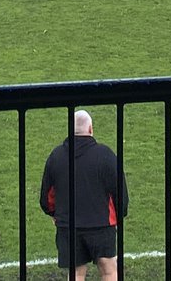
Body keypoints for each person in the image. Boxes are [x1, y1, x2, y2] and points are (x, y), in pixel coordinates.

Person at [39, 110, 128, 281]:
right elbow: (120, 192)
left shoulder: (56, 156)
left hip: (68, 226)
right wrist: (119, 215)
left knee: (76, 273)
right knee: (109, 270)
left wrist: (54, 214)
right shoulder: (105, 155)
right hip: (101, 225)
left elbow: (47, 196)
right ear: (90, 129)